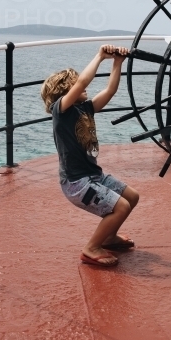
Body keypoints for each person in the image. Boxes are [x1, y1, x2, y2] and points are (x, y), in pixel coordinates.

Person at [40, 45, 139, 267]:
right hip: (77, 182)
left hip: (93, 175)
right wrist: (100, 56)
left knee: (131, 197)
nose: (82, 86)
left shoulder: (85, 108)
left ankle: (109, 237)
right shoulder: (61, 110)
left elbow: (110, 91)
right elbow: (83, 83)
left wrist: (117, 63)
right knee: (120, 207)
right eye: (74, 83)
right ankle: (91, 248)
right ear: (66, 90)